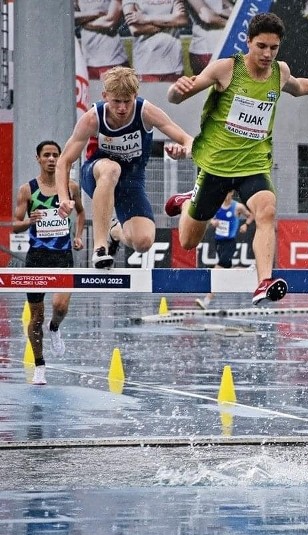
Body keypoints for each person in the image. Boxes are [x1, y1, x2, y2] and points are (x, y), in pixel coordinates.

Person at [164, 12, 308, 306]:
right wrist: (176, 90)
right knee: (188, 240)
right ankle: (188, 200)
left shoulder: (280, 72)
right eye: (261, 46)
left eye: (273, 48)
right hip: (216, 166)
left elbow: (299, 87)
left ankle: (264, 281)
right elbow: (177, 98)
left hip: (254, 165)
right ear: (248, 42)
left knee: (266, 212)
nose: (267, 54)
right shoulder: (225, 69)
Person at [55, 66, 194, 269]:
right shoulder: (93, 118)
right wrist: (63, 198)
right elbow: (64, 161)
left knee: (143, 242)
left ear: (135, 96)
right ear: (105, 96)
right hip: (96, 173)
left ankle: (114, 231)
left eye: (127, 101)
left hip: (131, 182)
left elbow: (188, 140)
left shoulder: (146, 112)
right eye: (116, 102)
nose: (122, 108)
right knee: (111, 169)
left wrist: (182, 152)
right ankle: (100, 247)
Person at [13, 141, 86, 386]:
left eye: (56, 155)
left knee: (60, 306)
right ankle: (40, 365)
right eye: (47, 155)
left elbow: (82, 213)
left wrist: (78, 236)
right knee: (35, 317)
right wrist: (30, 222)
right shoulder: (27, 190)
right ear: (38, 159)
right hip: (37, 259)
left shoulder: (70, 187)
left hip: (63, 256)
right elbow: (15, 224)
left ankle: (55, 327)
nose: (52, 159)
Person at [195, 191, 253, 309]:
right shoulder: (216, 205)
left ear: (231, 194)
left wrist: (246, 225)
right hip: (218, 242)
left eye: (227, 193)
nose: (225, 196)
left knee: (218, 269)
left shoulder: (237, 207)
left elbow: (251, 215)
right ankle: (249, 271)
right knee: (226, 269)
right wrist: (213, 222)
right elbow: (208, 217)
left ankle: (207, 299)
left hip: (230, 242)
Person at [122, 0, 189, 82]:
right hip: (145, 66)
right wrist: (170, 20)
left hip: (174, 65)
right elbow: (135, 29)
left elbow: (181, 20)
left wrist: (145, 18)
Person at [74, 0, 129, 80]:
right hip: (86, 62)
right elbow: (70, 16)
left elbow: (110, 21)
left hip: (112, 60)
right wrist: (96, 13)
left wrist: (83, 22)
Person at [185, 0, 233, 75]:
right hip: (204, 51)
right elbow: (207, 17)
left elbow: (234, 10)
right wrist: (233, 23)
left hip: (224, 47)